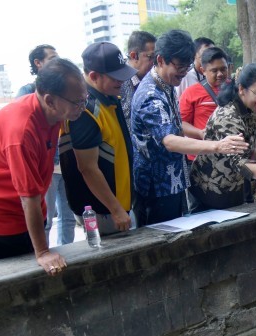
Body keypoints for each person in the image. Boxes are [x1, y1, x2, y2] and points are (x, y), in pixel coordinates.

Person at [0, 58, 86, 274]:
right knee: (13, 280)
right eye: (77, 103)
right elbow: (29, 200)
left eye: (85, 99)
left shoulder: (54, 113)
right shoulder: (22, 130)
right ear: (50, 100)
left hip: (21, 210)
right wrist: (43, 252)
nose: (82, 107)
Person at [131, 30, 248, 226]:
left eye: (187, 65)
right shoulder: (151, 95)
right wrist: (217, 146)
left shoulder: (166, 84)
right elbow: (169, 141)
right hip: (156, 187)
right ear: (160, 60)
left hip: (173, 181)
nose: (184, 71)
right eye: (179, 66)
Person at [189, 63, 256, 210]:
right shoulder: (228, 117)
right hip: (210, 188)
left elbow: (252, 133)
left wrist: (255, 148)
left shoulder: (249, 108)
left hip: (232, 186)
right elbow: (241, 166)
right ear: (241, 90)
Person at [60, 42, 137, 236]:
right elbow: (87, 168)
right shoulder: (85, 110)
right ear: (93, 76)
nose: (122, 82)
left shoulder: (109, 98)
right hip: (102, 211)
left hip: (117, 205)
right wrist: (116, 209)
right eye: (115, 78)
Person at [15, 44, 75, 247]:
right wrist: (42, 253)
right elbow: (19, 127)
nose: (56, 62)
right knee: (45, 216)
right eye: (51, 59)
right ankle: (45, 249)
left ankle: (66, 251)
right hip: (43, 167)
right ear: (37, 63)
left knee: (67, 216)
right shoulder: (29, 94)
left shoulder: (65, 95)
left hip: (63, 162)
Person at [180, 46, 230, 141]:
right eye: (214, 71)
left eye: (223, 69)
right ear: (203, 71)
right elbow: (182, 123)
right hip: (202, 151)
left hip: (232, 151)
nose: (220, 74)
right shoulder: (190, 93)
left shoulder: (237, 89)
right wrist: (200, 133)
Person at [120, 31, 157, 129]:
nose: (155, 63)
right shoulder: (119, 82)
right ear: (133, 56)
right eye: (151, 57)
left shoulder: (154, 80)